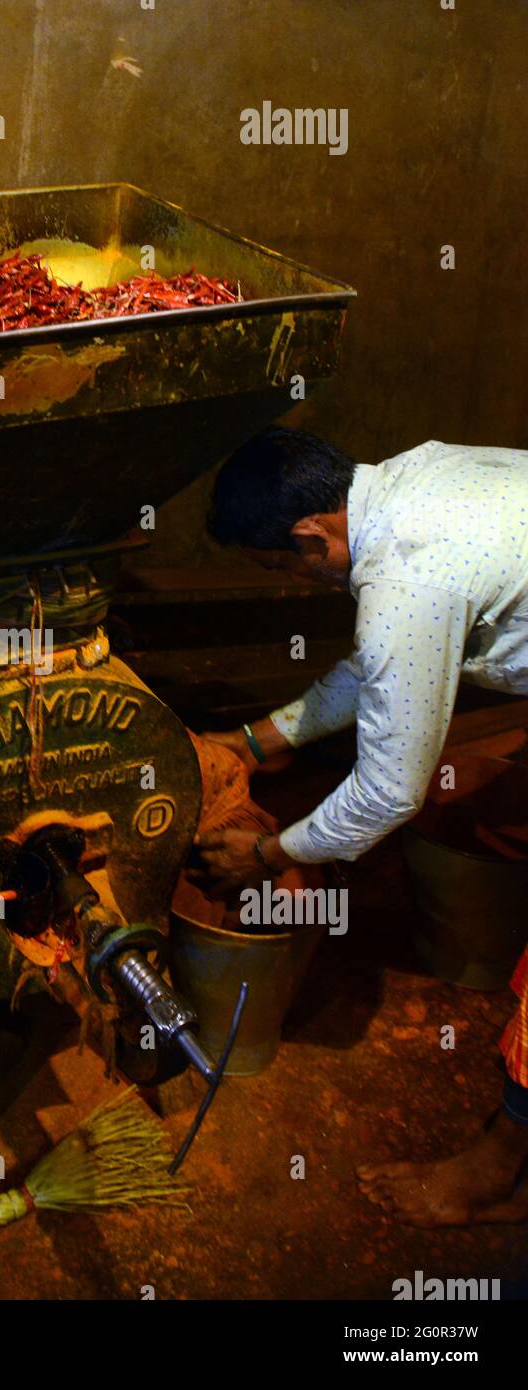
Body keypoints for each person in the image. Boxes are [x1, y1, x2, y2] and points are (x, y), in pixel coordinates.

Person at [198, 426, 528, 1228]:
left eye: (281, 566)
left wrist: (266, 852)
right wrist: (249, 743)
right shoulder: (410, 479)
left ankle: (501, 1170)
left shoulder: (407, 578)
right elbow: (380, 671)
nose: (294, 582)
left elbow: (387, 792)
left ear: (311, 536)